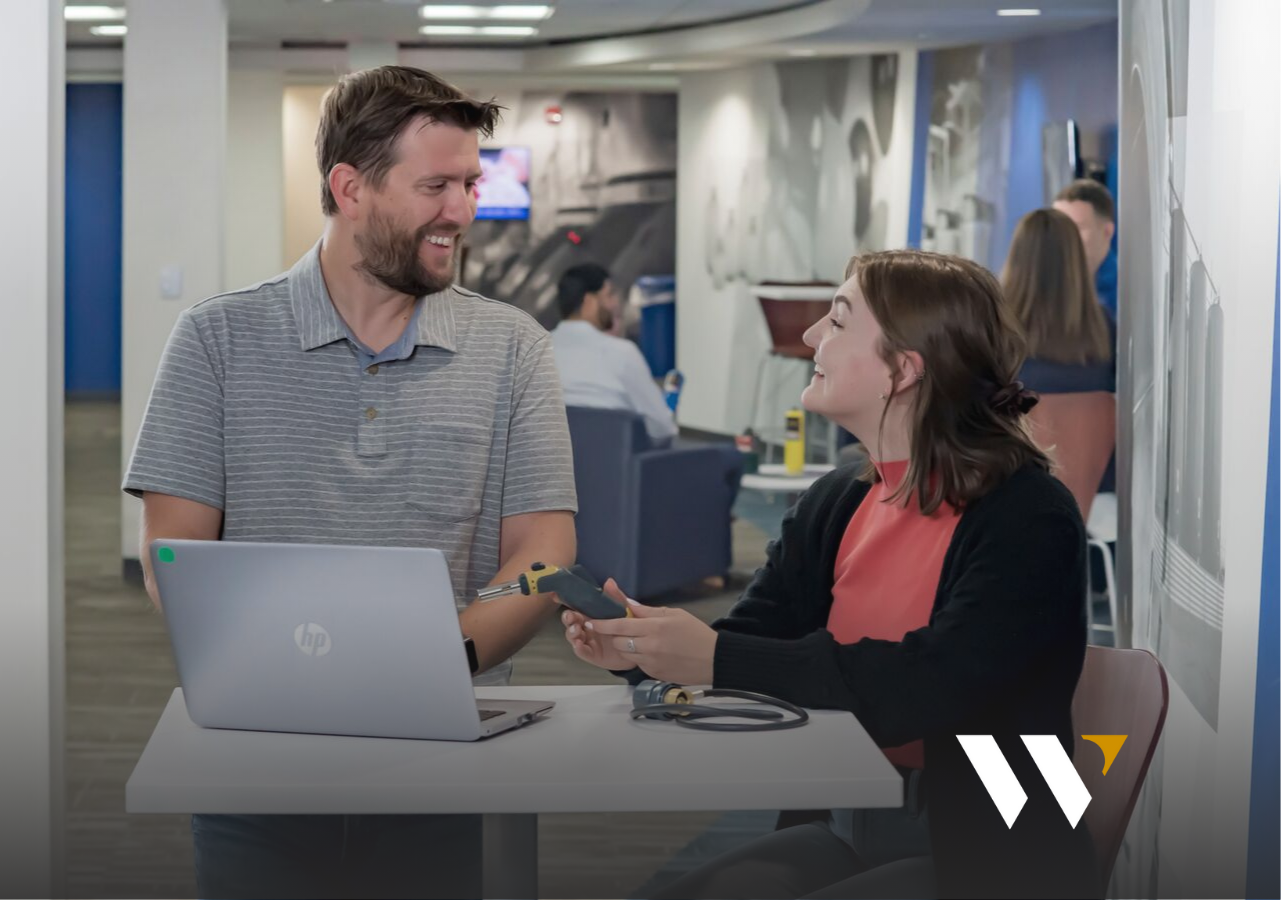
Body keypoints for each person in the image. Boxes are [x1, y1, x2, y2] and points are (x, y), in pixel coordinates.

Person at [123, 65, 578, 899]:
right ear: (350, 188)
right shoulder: (216, 340)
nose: (464, 211)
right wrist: (295, 669)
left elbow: (546, 556)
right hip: (257, 752)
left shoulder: (514, 348)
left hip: (446, 755)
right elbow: (173, 552)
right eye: (436, 185)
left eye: (471, 184)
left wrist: (432, 667)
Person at [562, 250, 1099, 899]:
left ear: (902, 370)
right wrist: (641, 647)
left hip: (998, 852)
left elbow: (932, 685)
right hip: (844, 822)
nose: (812, 335)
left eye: (838, 322)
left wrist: (715, 656)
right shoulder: (839, 499)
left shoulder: (1029, 515)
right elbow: (756, 642)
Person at [1002, 208, 1117, 517]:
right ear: (1075, 262)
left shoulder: (993, 333)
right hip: (1097, 508)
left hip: (1008, 503)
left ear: (1017, 258)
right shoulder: (1104, 326)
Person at [551, 262, 680, 445]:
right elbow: (661, 428)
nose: (615, 303)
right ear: (589, 302)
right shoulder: (622, 353)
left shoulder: (538, 350)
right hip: (613, 467)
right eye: (609, 295)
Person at [1053, 178, 1117, 314]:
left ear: (1107, 232)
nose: (1064, 238)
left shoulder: (1125, 293)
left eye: (1076, 228)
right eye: (1058, 228)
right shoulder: (1046, 287)